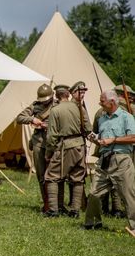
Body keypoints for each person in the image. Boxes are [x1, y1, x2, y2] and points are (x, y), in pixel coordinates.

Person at [84, 90, 135, 237]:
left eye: (102, 101)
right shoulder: (101, 118)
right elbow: (102, 138)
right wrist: (95, 139)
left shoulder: (127, 117)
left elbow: (133, 137)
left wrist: (114, 140)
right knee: (93, 193)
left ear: (112, 102)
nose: (100, 103)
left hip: (121, 160)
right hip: (104, 159)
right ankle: (93, 223)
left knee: (128, 195)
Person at [44, 84, 90, 218]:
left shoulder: (55, 110)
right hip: (80, 146)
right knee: (77, 178)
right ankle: (75, 210)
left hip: (65, 146)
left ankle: (53, 210)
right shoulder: (79, 107)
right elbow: (88, 127)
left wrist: (49, 152)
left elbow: (52, 135)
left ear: (56, 96)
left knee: (51, 177)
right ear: (68, 94)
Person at [16, 84, 55, 213]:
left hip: (53, 143)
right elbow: (20, 118)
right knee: (41, 175)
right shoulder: (35, 105)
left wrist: (47, 126)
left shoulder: (58, 106)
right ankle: (46, 204)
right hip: (39, 142)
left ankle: (56, 204)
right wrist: (33, 119)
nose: (44, 102)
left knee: (54, 176)